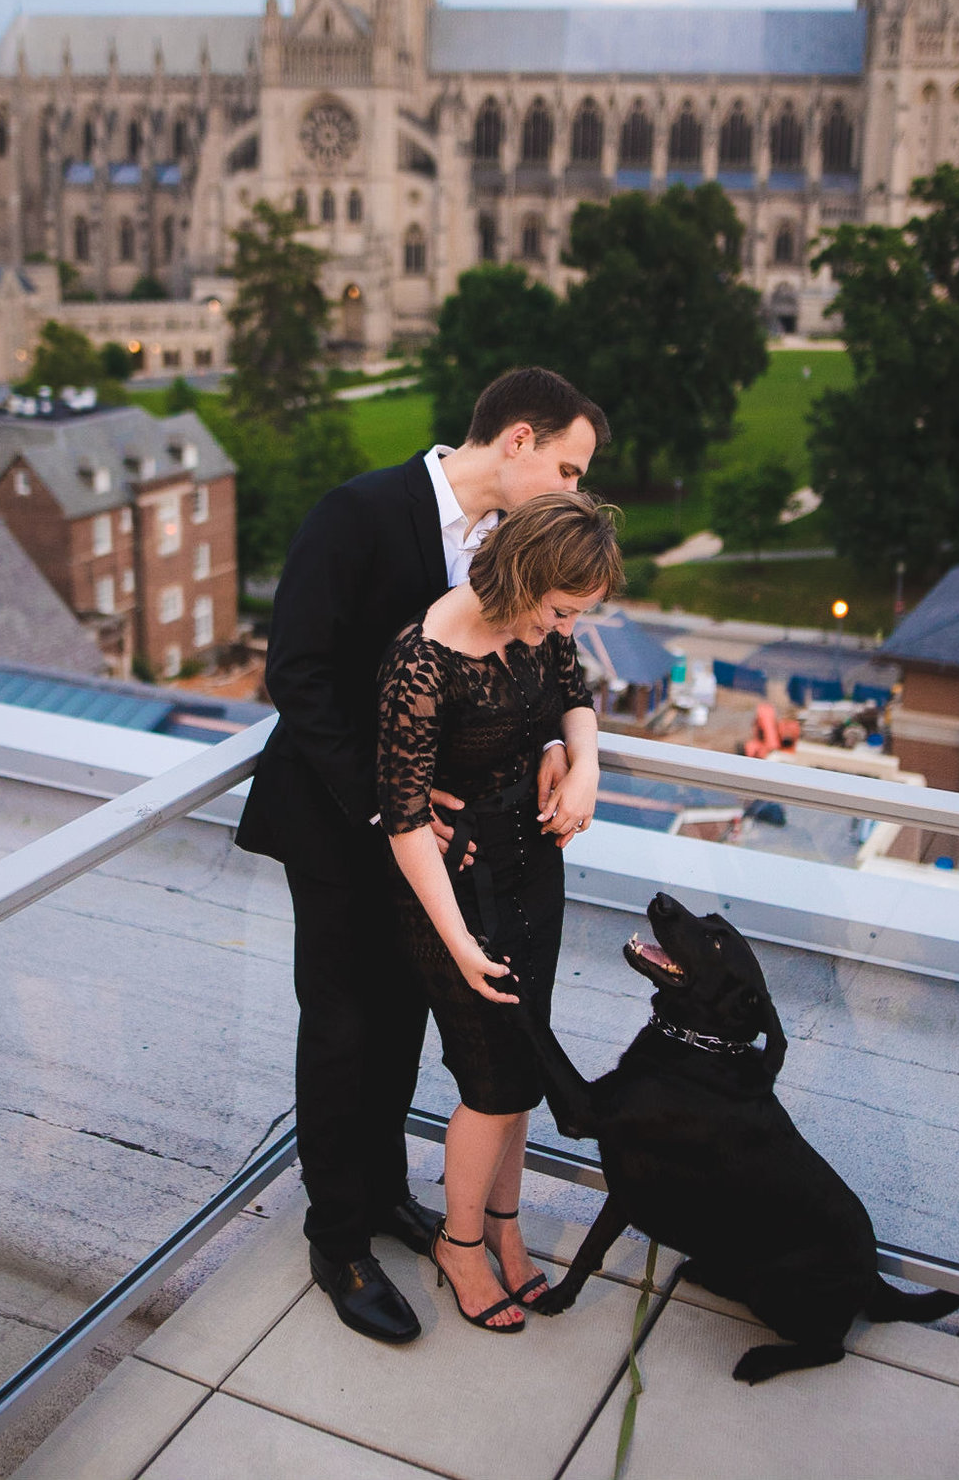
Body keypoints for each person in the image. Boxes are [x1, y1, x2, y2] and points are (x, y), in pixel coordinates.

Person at [235, 368, 608, 1344]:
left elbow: (530, 661)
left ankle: (391, 1192)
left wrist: (563, 748)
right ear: (517, 440)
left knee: (403, 1021)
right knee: (344, 1029)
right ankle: (337, 1241)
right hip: (335, 821)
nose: (572, 490)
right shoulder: (356, 511)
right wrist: (386, 801)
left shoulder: (508, 547)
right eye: (567, 467)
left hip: (435, 843)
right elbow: (297, 674)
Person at [377, 493, 620, 1332]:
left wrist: (578, 760)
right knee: (489, 1084)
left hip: (530, 873)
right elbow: (405, 826)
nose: (564, 628)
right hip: (453, 894)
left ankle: (507, 1229)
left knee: (524, 1067)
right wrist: (459, 945)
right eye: (560, 610)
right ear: (523, 576)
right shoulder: (423, 659)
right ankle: (461, 1241)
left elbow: (572, 692)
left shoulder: (542, 627)